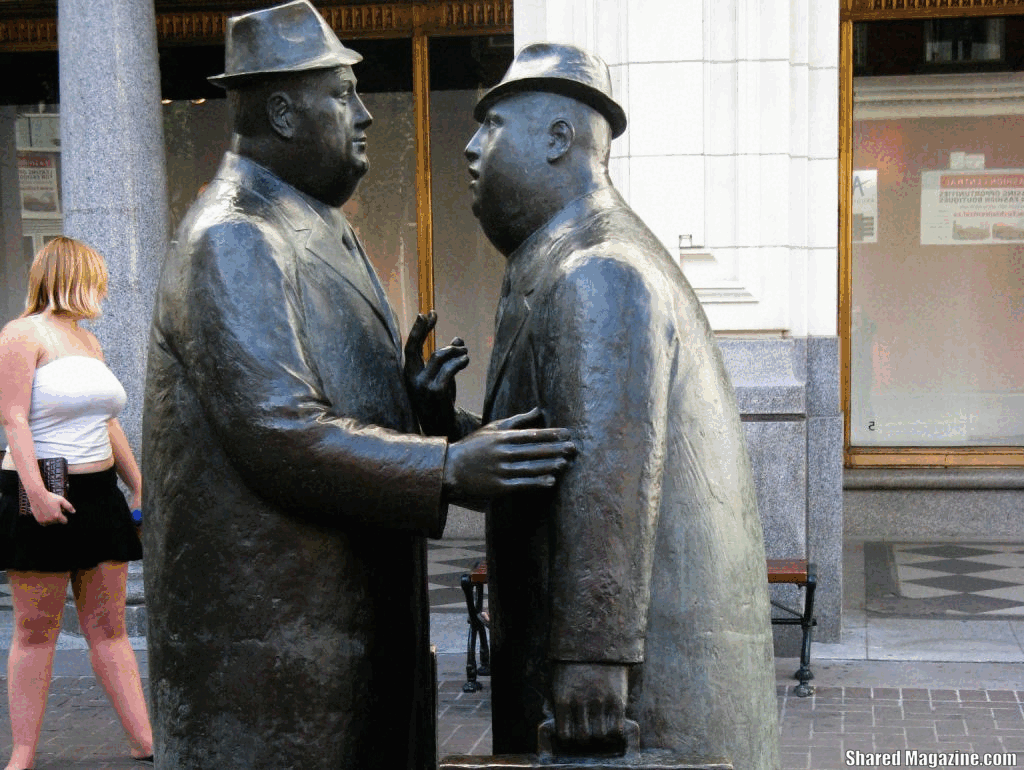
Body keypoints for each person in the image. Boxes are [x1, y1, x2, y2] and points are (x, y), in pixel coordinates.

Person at [142, 3, 574, 768]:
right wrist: (447, 467)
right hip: (277, 673)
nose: (366, 113)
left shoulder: (312, 224)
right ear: (280, 109)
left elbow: (323, 410)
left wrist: (417, 408)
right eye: (342, 94)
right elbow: (278, 433)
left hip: (348, 653)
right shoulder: (235, 237)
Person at [414, 42, 781, 768]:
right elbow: (564, 461)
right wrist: (447, 433)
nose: (470, 146)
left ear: (558, 138)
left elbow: (611, 480)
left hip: (622, 708)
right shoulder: (557, 263)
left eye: (493, 126)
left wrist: (592, 658)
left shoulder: (599, 271)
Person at [0, 236, 153, 770]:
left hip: (97, 488)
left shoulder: (89, 344)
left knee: (108, 626)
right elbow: (13, 418)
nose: (103, 292)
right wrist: (36, 492)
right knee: (36, 629)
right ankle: (22, 754)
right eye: (96, 279)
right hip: (43, 479)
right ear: (68, 275)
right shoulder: (22, 334)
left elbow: (108, 423)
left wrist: (139, 484)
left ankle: (145, 739)